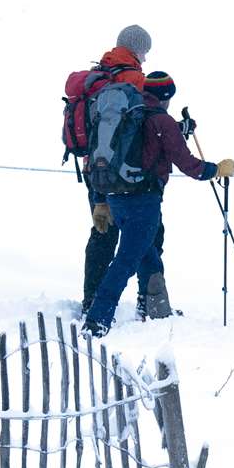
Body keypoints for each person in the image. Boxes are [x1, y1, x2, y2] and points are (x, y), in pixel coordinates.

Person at [82, 70, 234, 336]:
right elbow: (189, 165)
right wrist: (216, 170)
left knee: (147, 251)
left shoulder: (131, 115)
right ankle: (97, 319)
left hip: (116, 197)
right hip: (143, 200)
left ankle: (156, 309)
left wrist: (101, 201)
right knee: (126, 261)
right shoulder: (161, 121)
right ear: (166, 96)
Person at [80, 24, 150, 315]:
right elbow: (146, 125)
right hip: (124, 174)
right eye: (145, 51)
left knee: (102, 232)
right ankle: (150, 302)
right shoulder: (133, 79)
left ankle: (91, 299)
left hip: (93, 169)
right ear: (137, 49)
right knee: (145, 234)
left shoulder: (94, 77)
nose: (146, 58)